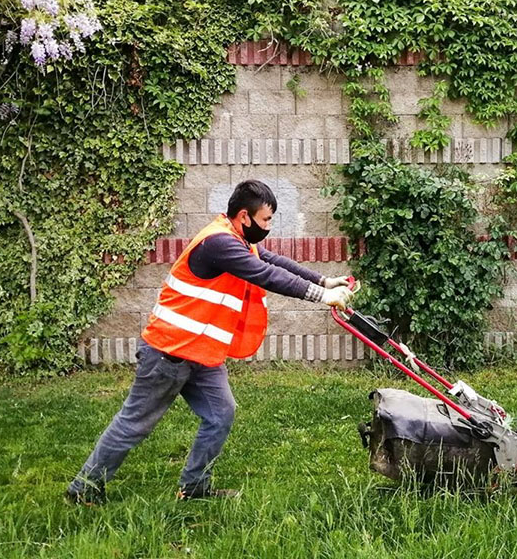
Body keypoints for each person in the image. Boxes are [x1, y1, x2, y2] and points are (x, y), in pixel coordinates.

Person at [66, 179, 354, 504]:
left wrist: (323, 279)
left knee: (220, 414)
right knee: (134, 424)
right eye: (266, 220)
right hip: (168, 352)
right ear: (244, 217)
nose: (268, 228)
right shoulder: (218, 243)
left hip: (201, 354)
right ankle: (83, 489)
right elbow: (265, 275)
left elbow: (272, 262)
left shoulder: (239, 239)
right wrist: (324, 296)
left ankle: (194, 488)